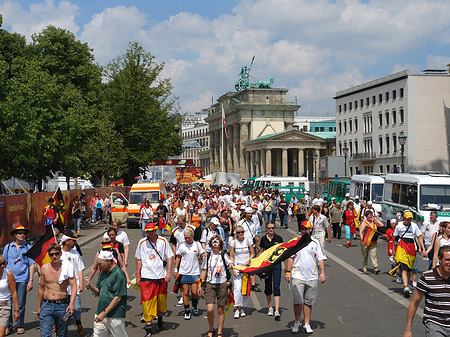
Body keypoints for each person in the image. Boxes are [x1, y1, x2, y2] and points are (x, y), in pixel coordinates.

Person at [285, 221, 326, 334]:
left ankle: (306, 323)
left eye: (306, 229)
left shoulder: (315, 242)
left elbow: (321, 258)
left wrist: (322, 273)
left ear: (310, 229)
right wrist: (288, 272)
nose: (304, 231)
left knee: (308, 301)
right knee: (298, 301)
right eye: (302, 228)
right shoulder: (296, 241)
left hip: (312, 276)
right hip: (298, 275)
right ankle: (297, 321)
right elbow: (290, 258)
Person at [135, 222, 173, 337]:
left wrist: (169, 273)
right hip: (147, 277)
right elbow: (139, 259)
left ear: (156, 230)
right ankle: (149, 327)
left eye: (152, 231)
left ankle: (160, 319)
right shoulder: (142, 242)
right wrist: (138, 275)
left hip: (161, 276)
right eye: (148, 231)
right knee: (147, 302)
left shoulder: (163, 241)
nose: (150, 233)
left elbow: (170, 257)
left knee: (161, 302)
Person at [403, 246, 450, 337]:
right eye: (447, 260)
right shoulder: (427, 277)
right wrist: (408, 329)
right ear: (439, 259)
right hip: (435, 325)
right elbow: (414, 303)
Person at [84, 250, 128, 337]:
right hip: (100, 313)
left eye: (100, 264)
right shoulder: (103, 272)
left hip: (115, 316)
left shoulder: (119, 274)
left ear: (108, 261)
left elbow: (118, 297)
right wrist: (90, 286)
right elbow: (98, 292)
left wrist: (105, 312)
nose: (99, 266)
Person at [37, 243, 76, 337]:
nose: (54, 256)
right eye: (51, 254)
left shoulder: (67, 267)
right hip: (47, 304)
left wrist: (71, 304)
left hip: (62, 305)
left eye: (56, 254)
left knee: (61, 334)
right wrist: (39, 307)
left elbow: (74, 286)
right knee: (45, 335)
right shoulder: (44, 268)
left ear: (60, 254)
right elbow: (41, 288)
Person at [198, 235, 233, 337]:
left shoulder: (223, 255)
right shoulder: (208, 256)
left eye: (217, 242)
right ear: (211, 244)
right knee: (210, 309)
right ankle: (211, 329)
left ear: (220, 244)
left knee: (220, 309)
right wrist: (200, 285)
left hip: (222, 284)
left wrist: (231, 265)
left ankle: (220, 332)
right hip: (210, 284)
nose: (215, 245)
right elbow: (203, 271)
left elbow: (230, 262)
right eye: (213, 242)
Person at [3, 224, 35, 335]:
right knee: (8, 303)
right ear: (15, 235)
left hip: (22, 279)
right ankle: (9, 325)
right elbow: (4, 264)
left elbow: (31, 265)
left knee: (21, 303)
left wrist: (31, 280)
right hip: (9, 280)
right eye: (20, 233)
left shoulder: (28, 248)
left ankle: (20, 325)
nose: (22, 235)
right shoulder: (8, 247)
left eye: (24, 233)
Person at [173, 228, 204, 320]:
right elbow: (178, 257)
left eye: (189, 238)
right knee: (185, 293)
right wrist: (175, 269)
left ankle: (194, 305)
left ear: (192, 237)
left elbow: (203, 255)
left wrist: (205, 266)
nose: (187, 240)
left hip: (195, 272)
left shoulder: (197, 245)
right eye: (186, 238)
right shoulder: (182, 246)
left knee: (194, 292)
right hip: (183, 272)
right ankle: (187, 310)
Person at [393, 211, 425, 298]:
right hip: (402, 247)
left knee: (410, 269)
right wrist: (393, 251)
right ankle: (406, 287)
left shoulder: (414, 226)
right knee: (404, 267)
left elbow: (418, 237)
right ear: (404, 218)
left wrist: (421, 248)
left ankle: (406, 283)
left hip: (411, 248)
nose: (409, 220)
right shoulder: (399, 226)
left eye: (410, 219)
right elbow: (395, 239)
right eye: (408, 219)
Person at [60, 231, 85, 336]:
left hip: (74, 286)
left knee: (77, 308)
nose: (75, 242)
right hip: (62, 287)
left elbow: (79, 269)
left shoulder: (75, 253)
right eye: (73, 240)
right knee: (62, 309)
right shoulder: (58, 253)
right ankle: (61, 328)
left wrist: (81, 283)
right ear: (67, 241)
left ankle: (78, 321)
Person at [259, 222, 283, 321]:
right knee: (268, 286)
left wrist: (287, 268)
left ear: (275, 228)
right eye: (269, 228)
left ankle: (277, 310)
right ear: (267, 229)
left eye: (272, 228)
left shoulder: (279, 239)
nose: (271, 230)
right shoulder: (263, 239)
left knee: (276, 285)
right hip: (267, 265)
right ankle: (270, 307)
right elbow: (261, 253)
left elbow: (283, 252)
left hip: (276, 264)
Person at [229, 225, 254, 319]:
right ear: (236, 234)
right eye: (238, 232)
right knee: (237, 288)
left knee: (245, 288)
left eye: (242, 232)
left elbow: (252, 253)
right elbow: (231, 256)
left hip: (246, 267)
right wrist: (233, 267)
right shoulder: (233, 242)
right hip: (238, 267)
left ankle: (243, 307)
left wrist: (249, 260)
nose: (240, 234)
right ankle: (237, 308)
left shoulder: (248, 241)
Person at [0, 254, 20, 337]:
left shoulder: (8, 274)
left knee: (1, 334)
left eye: (3, 263)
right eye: (0, 264)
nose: (2, 266)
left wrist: (16, 310)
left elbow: (14, 292)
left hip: (5, 305)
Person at [359, 209, 383, 274]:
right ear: (366, 216)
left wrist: (376, 219)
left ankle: (376, 268)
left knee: (373, 255)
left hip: (373, 242)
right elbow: (361, 231)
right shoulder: (364, 223)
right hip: (366, 242)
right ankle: (364, 267)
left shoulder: (374, 223)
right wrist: (362, 239)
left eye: (372, 215)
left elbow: (381, 225)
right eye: (369, 215)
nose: (371, 216)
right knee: (365, 255)